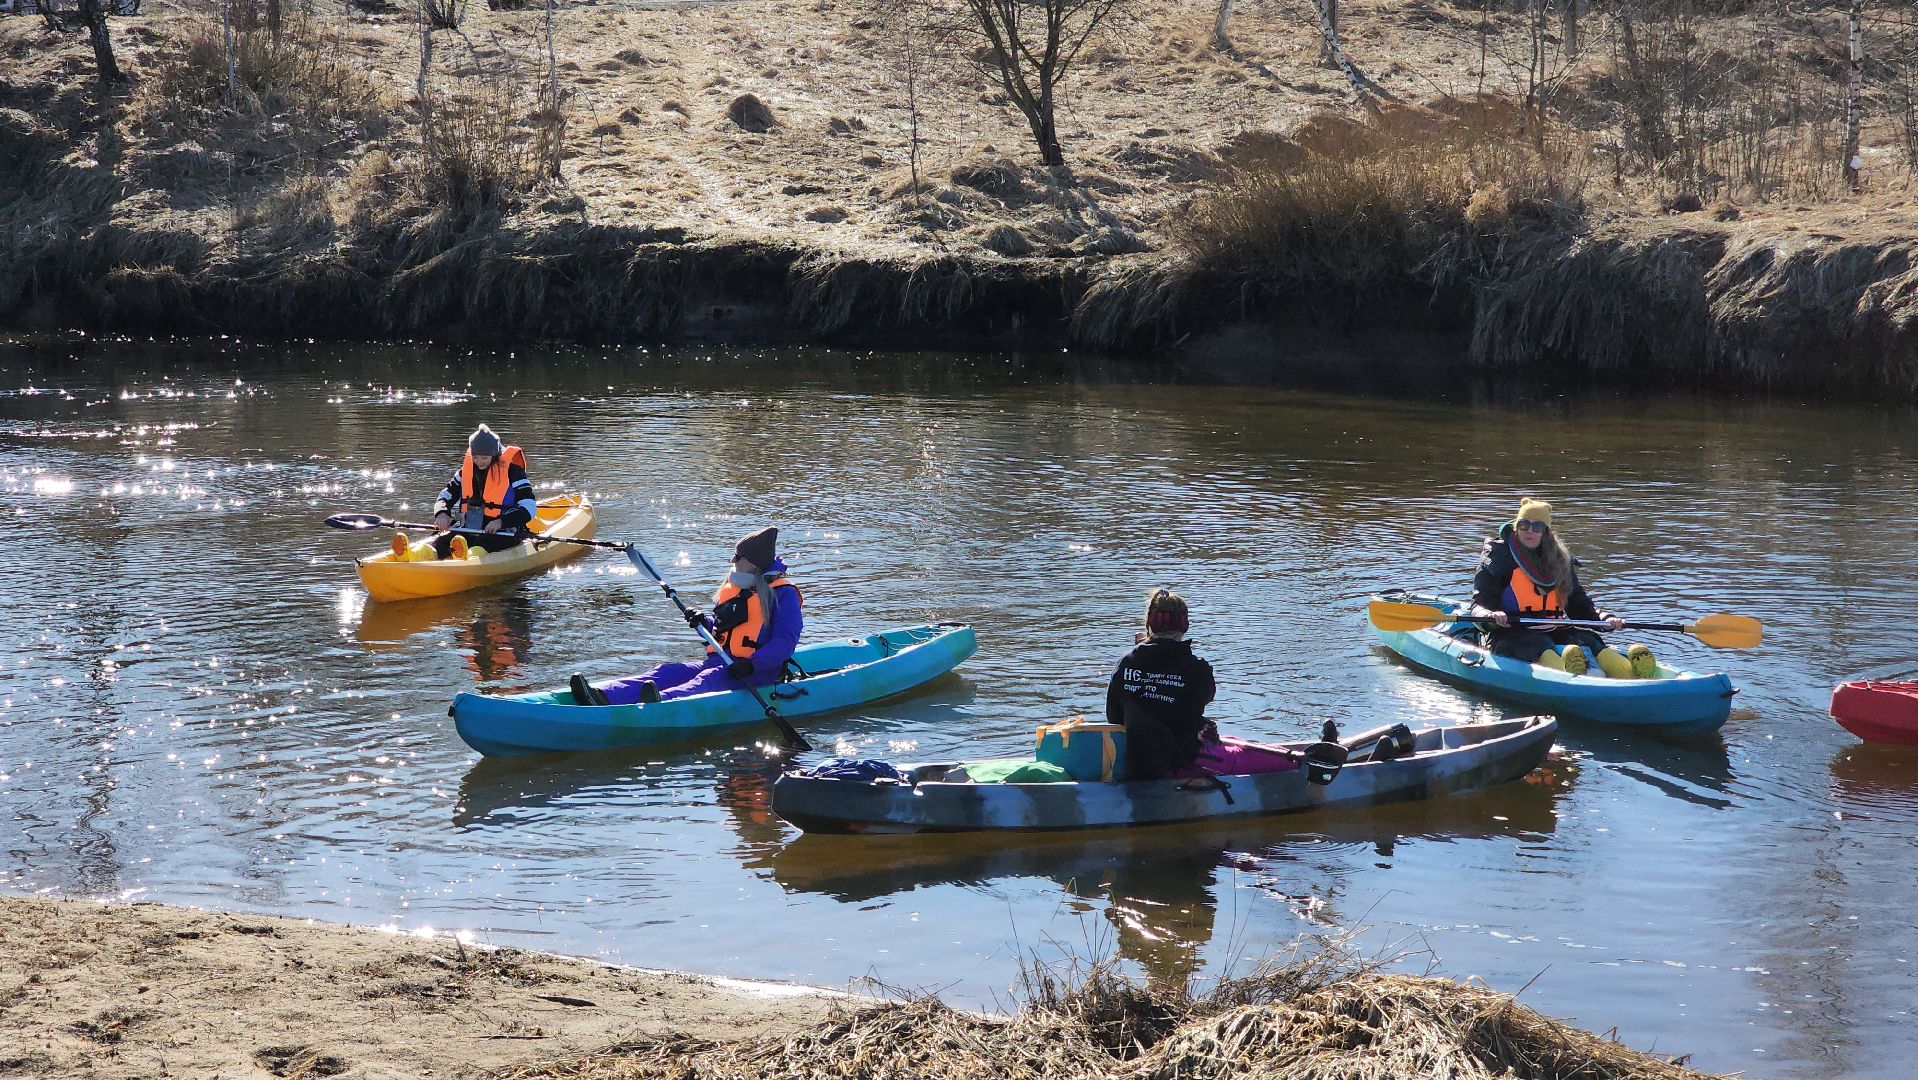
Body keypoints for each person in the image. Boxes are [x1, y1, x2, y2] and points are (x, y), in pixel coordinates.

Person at [575, 526, 803, 706]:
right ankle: (604, 696)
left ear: (754, 564)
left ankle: (661, 704)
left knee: (706, 681)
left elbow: (785, 641)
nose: (733, 562)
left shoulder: (783, 595)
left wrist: (752, 665)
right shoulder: (741, 587)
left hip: (756, 673)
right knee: (668, 671)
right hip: (723, 663)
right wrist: (703, 623)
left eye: (738, 557)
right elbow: (725, 631)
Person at [1470, 497, 1656, 678]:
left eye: (1537, 526)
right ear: (1516, 527)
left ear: (1546, 531)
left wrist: (1605, 619)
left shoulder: (1560, 561)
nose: (1530, 531)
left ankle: (1636, 675)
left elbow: (1580, 607)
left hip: (1556, 629)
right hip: (1510, 634)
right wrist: (1490, 616)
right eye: (1524, 524)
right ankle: (1576, 678)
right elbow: (1478, 606)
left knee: (1590, 641)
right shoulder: (1497, 558)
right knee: (1541, 645)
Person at [1106, 588, 1217, 780]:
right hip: (1183, 758)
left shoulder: (1127, 661)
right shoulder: (1198, 668)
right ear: (1184, 625)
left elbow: (1113, 716)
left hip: (1136, 761)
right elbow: (1205, 699)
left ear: (1150, 624)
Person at [394, 424, 538, 561]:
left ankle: (469, 559)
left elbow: (529, 507)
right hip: (470, 528)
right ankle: (413, 555)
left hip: (503, 532)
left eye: (484, 458)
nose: (479, 462)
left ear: (494, 454)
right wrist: (442, 513)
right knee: (444, 540)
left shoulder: (514, 472)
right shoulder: (466, 472)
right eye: (475, 457)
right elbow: (446, 494)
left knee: (483, 543)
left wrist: (501, 522)